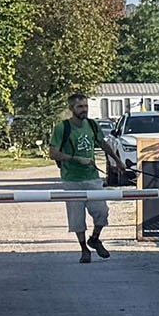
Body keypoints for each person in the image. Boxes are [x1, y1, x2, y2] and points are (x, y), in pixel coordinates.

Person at [48, 91, 119, 261]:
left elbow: (103, 143)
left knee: (102, 212)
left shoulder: (93, 125)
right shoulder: (62, 128)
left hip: (92, 177)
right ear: (72, 108)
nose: (84, 110)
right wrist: (74, 159)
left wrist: (117, 161)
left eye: (85, 106)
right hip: (71, 179)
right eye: (80, 107)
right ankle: (83, 249)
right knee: (76, 217)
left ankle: (95, 239)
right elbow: (53, 153)